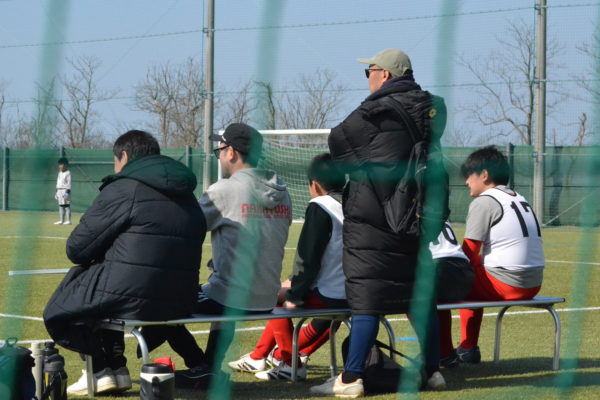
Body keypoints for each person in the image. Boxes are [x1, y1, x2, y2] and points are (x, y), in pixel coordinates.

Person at [310, 48, 448, 398]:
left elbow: (338, 142)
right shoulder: (432, 111)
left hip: (374, 218)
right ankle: (433, 370)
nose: (368, 78)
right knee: (418, 297)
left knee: (366, 296)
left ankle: (351, 377)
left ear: (385, 74)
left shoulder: (375, 111)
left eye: (369, 71)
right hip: (415, 216)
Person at [43, 130, 206, 396]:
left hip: (136, 295)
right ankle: (116, 369)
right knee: (108, 287)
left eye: (115, 161)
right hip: (181, 299)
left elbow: (77, 248)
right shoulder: (188, 194)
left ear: (125, 156)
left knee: (68, 300)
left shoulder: (123, 187)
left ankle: (99, 369)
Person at [142, 123, 293, 390]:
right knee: (221, 289)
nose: (219, 156)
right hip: (266, 297)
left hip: (230, 295)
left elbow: (183, 229)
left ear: (231, 152)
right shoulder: (283, 193)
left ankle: (200, 366)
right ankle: (209, 366)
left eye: (219, 151)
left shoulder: (224, 190)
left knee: (162, 302)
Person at [228, 153, 347, 381]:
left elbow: (308, 256)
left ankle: (289, 362)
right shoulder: (355, 204)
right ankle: (259, 356)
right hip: (358, 292)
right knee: (293, 295)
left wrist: (296, 293)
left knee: (271, 295)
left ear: (314, 184)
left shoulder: (321, 205)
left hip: (332, 294)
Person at [438, 146, 544, 365]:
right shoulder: (519, 197)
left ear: (484, 175)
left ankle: (446, 353)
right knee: (471, 274)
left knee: (443, 285)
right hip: (534, 283)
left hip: (508, 284)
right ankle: (468, 348)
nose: (466, 181)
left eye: (469, 175)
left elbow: (468, 253)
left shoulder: (484, 201)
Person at [430, 221, 475, 367]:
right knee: (440, 302)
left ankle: (430, 352)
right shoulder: (438, 211)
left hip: (440, 268)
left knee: (411, 297)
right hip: (465, 273)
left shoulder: (410, 211)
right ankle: (446, 353)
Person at [54, 157, 72, 225]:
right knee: (61, 206)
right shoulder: (59, 173)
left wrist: (67, 193)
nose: (60, 166)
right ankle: (61, 220)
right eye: (59, 165)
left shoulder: (68, 173)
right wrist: (56, 192)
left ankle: (69, 221)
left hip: (65, 190)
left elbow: (69, 184)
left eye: (62, 165)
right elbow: (57, 183)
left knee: (66, 206)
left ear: (66, 165)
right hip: (59, 190)